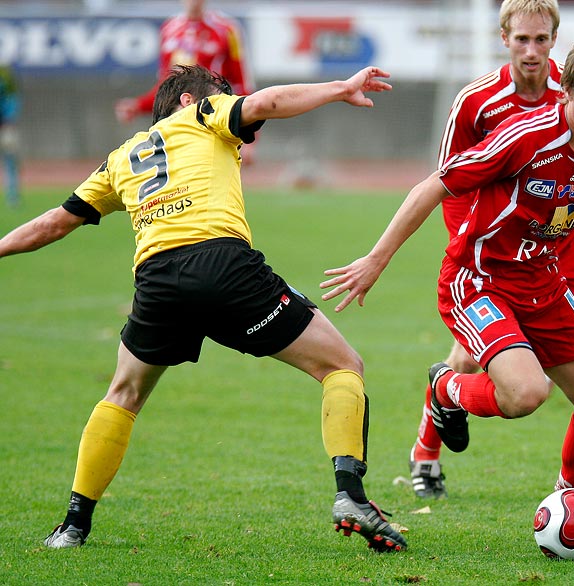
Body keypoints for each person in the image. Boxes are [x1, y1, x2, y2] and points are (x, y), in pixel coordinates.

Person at [0, 63, 406, 553]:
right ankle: (352, 497)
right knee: (343, 366)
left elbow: (53, 224)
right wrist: (340, 88)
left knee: (123, 393)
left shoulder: (121, 157)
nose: (233, 108)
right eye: (222, 94)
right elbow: (266, 104)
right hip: (223, 265)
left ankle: (72, 526)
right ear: (191, 100)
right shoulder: (203, 114)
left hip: (157, 281)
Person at [320, 31, 574, 500]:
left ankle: (570, 504)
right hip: (478, 282)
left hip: (544, 285)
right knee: (526, 395)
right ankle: (446, 389)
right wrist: (375, 260)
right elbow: (434, 186)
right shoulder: (524, 138)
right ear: (566, 90)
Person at [408, 0, 574, 501]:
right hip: (496, 249)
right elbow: (449, 184)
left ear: (555, 39)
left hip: (561, 242)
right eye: (522, 39)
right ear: (504, 37)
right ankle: (426, 452)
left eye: (542, 39)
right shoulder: (477, 102)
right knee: (479, 362)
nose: (532, 51)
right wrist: (476, 247)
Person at [115, 0, 254, 124]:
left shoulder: (227, 29)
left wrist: (249, 130)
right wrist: (138, 105)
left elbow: (240, 81)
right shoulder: (169, 29)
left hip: (213, 114)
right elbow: (166, 85)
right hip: (179, 117)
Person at [0, 63, 20, 207]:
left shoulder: (6, 76)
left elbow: (13, 100)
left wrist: (9, 118)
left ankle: (13, 195)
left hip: (6, 125)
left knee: (10, 161)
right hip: (6, 125)